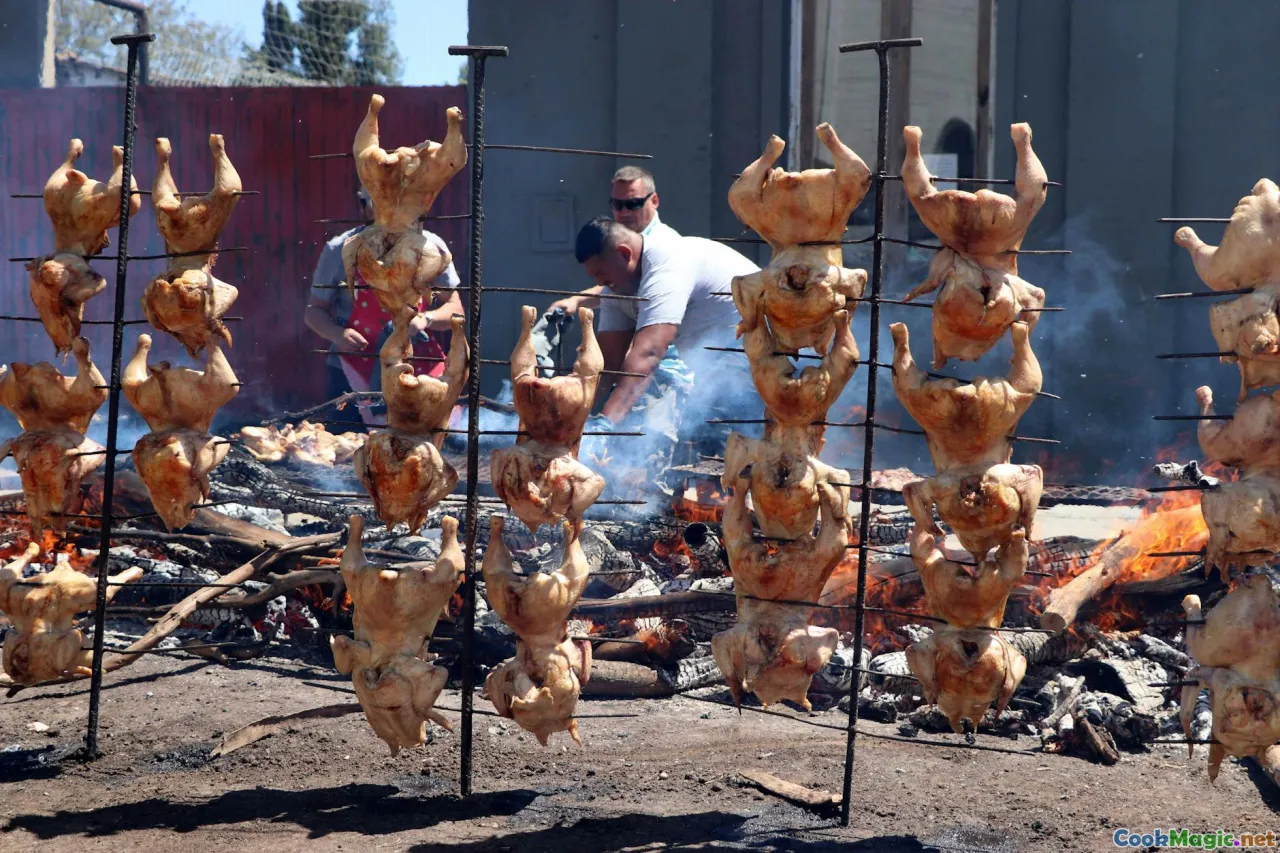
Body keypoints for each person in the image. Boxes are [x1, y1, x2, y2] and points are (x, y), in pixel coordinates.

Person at [568, 217, 760, 428]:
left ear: (624, 254)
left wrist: (605, 425)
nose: (599, 283)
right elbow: (608, 364)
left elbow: (649, 353)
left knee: (718, 429)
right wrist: (571, 418)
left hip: (758, 350)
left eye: (601, 273)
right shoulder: (615, 289)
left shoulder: (667, 264)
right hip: (712, 367)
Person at [304, 187, 463, 423]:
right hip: (353, 366)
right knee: (348, 443)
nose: (391, 214)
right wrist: (338, 334)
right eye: (381, 206)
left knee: (428, 438)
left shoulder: (431, 247)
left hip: (416, 364)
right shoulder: (339, 250)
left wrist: (425, 319)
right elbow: (314, 312)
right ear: (364, 208)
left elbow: (455, 308)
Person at [549, 166, 678, 315]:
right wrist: (576, 301)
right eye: (617, 204)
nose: (624, 212)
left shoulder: (665, 246)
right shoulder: (621, 238)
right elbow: (611, 290)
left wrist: (577, 300)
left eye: (633, 204)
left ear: (654, 201)